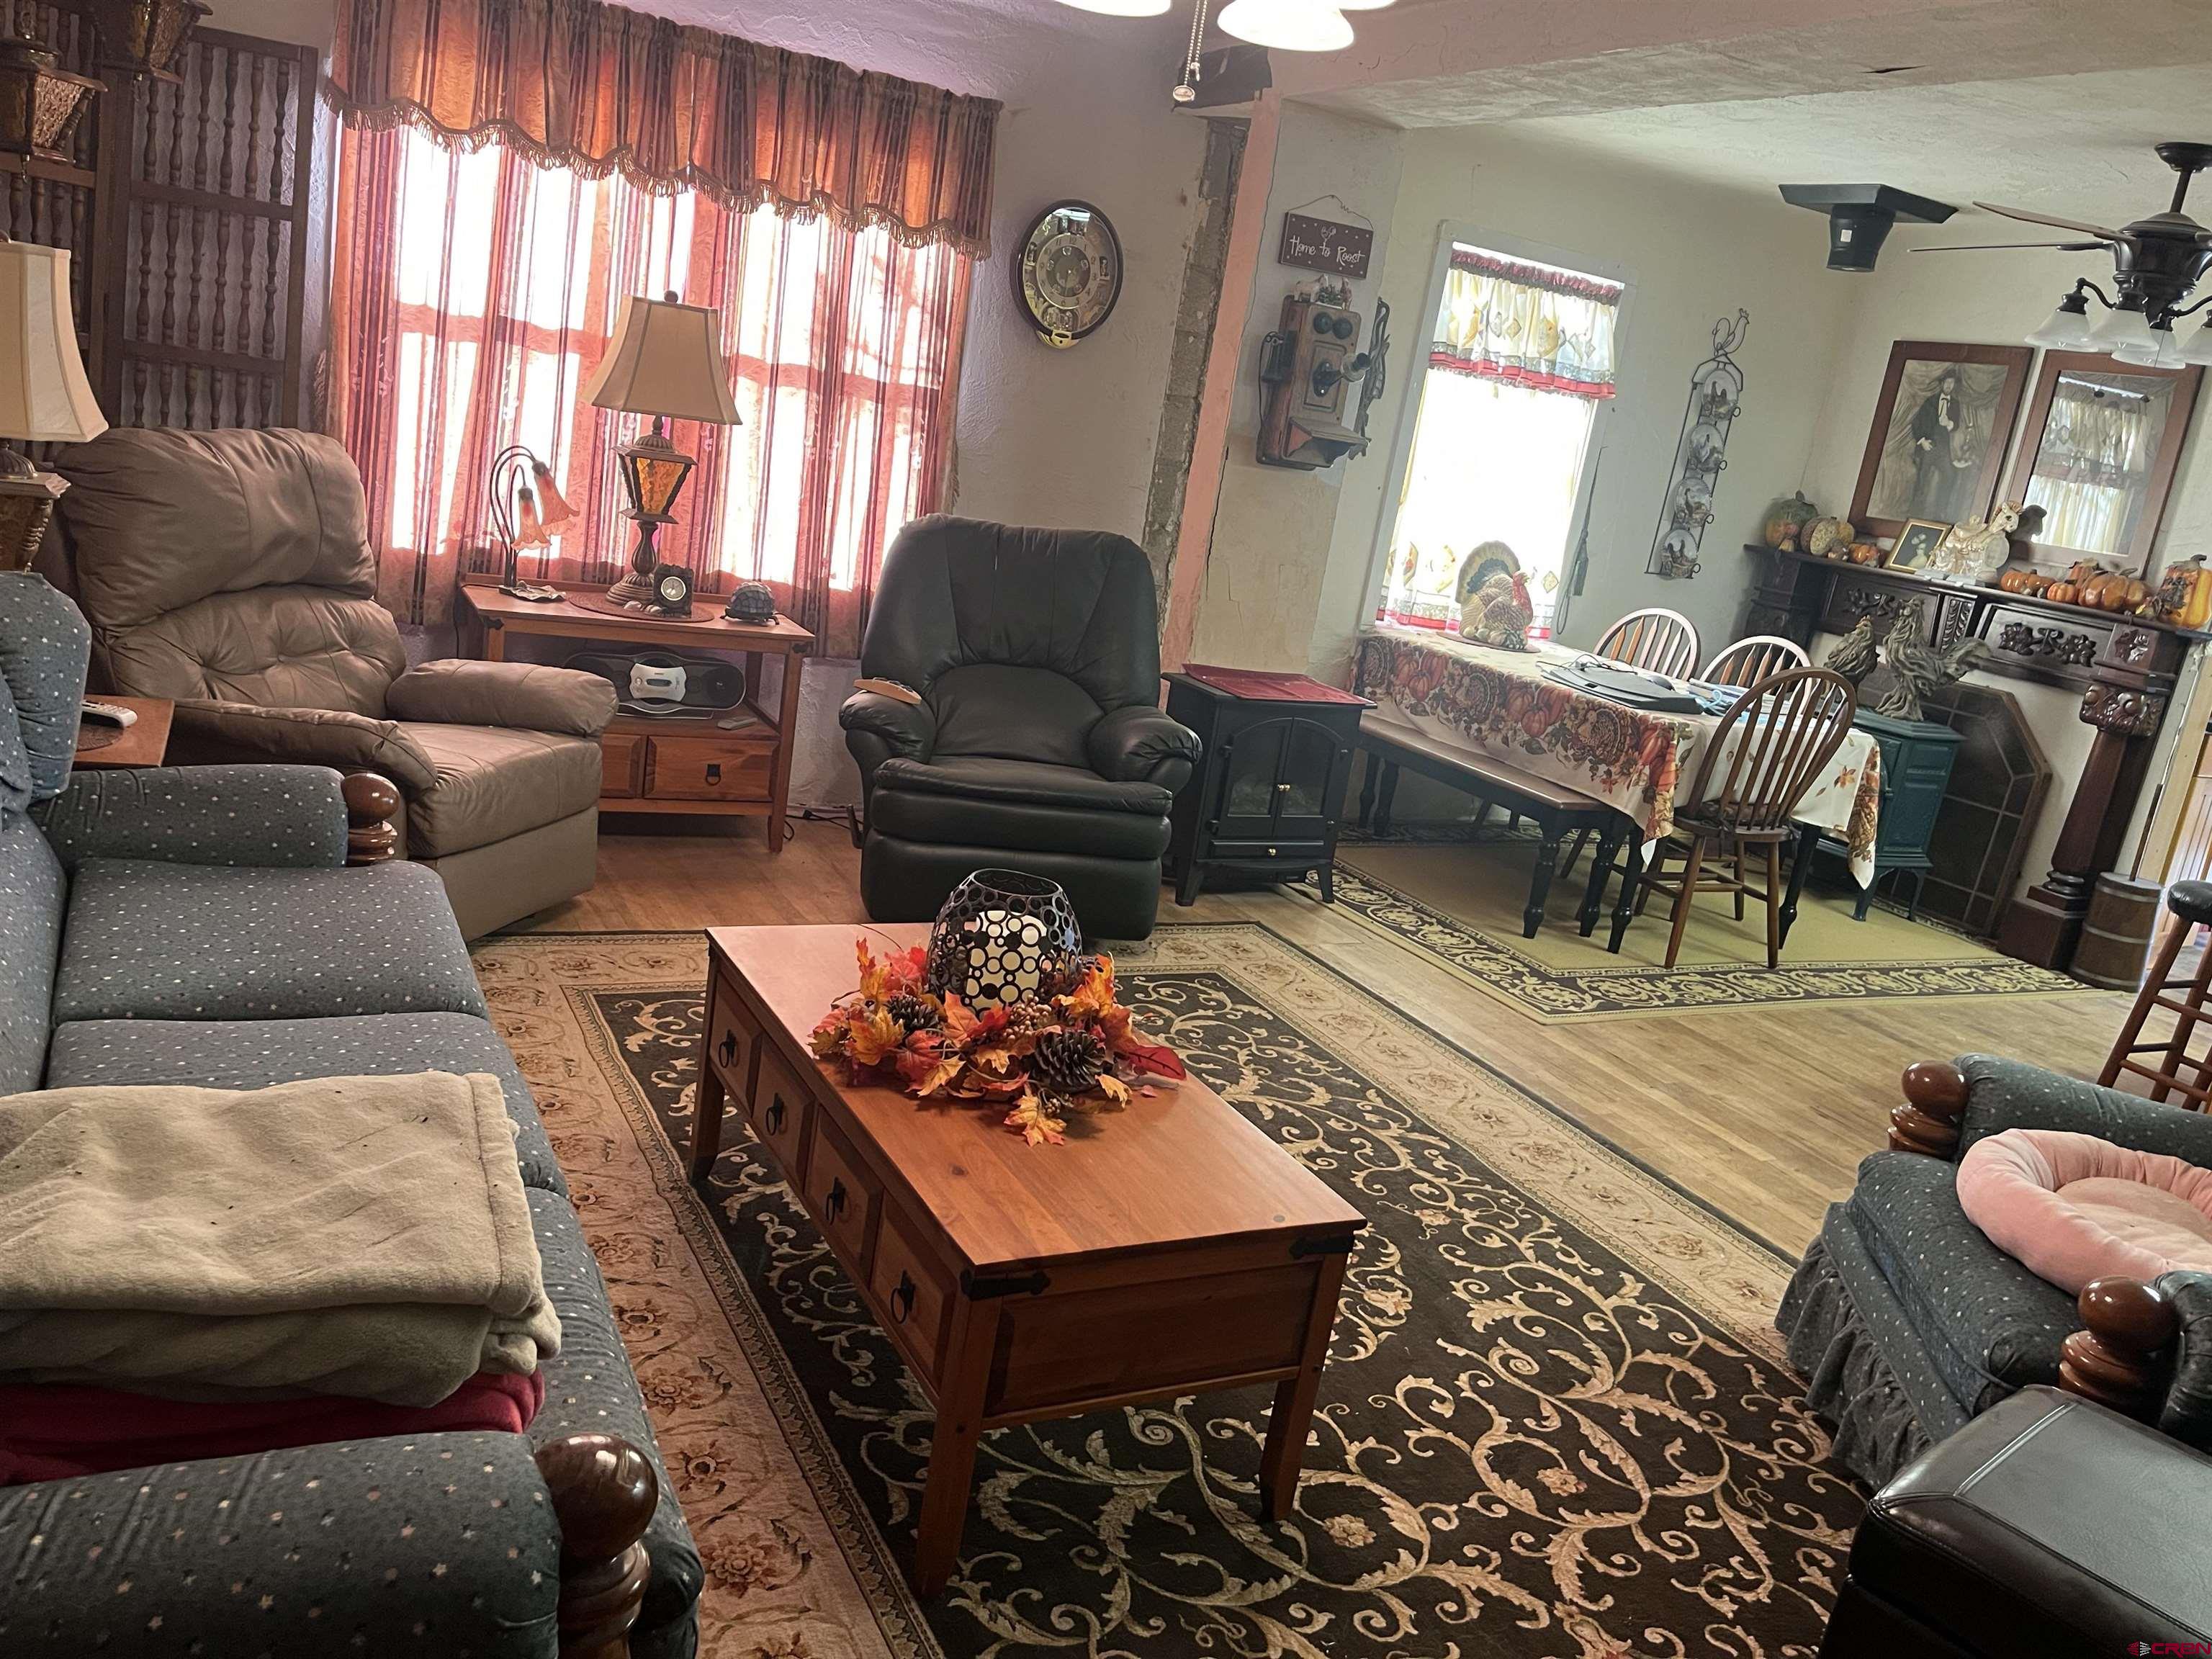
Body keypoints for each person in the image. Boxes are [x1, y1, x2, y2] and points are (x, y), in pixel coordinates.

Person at [1907, 369, 1979, 521]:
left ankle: (1941, 513)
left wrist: (1950, 424)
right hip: (1929, 446)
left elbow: (1957, 425)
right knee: (1922, 478)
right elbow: (1916, 423)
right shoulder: (1930, 401)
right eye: (1946, 382)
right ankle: (1914, 512)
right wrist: (1922, 441)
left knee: (1950, 475)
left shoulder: (1955, 404)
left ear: (1954, 386)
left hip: (1944, 449)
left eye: (1951, 383)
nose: (1949, 385)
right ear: (1942, 384)